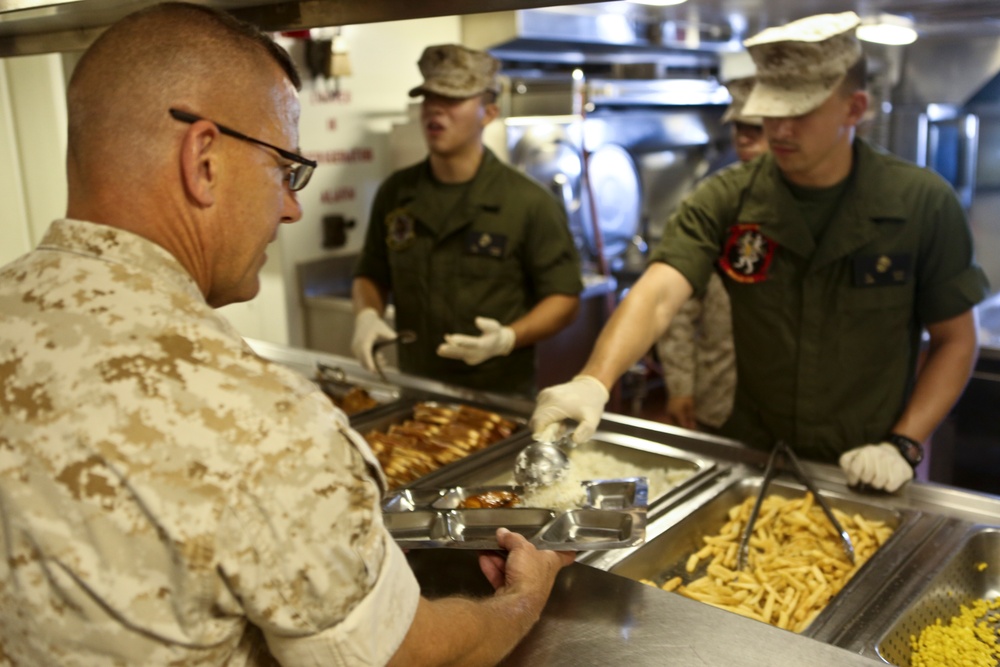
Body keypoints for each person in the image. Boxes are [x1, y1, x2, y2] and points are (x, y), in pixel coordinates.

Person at [0, 4, 573, 665]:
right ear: (204, 160)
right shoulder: (265, 425)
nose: (294, 205)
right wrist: (523, 598)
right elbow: (403, 656)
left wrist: (506, 339)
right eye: (284, 168)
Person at [531, 11, 989, 494]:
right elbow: (661, 292)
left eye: (800, 112)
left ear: (854, 109)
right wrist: (594, 381)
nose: (780, 130)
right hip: (752, 458)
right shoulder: (727, 198)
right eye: (772, 110)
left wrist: (904, 444)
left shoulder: (921, 204)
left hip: (864, 461)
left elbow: (956, 341)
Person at [351, 43, 583, 397]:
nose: (435, 111)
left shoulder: (527, 202)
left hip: (497, 395)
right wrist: (367, 316)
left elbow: (564, 300)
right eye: (429, 99)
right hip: (416, 388)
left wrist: (507, 339)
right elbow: (372, 273)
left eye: (452, 101)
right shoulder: (397, 194)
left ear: (488, 113)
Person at [658, 75, 768, 432]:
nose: (744, 137)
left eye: (756, 128)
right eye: (738, 127)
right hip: (719, 396)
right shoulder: (716, 200)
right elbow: (678, 306)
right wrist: (680, 386)